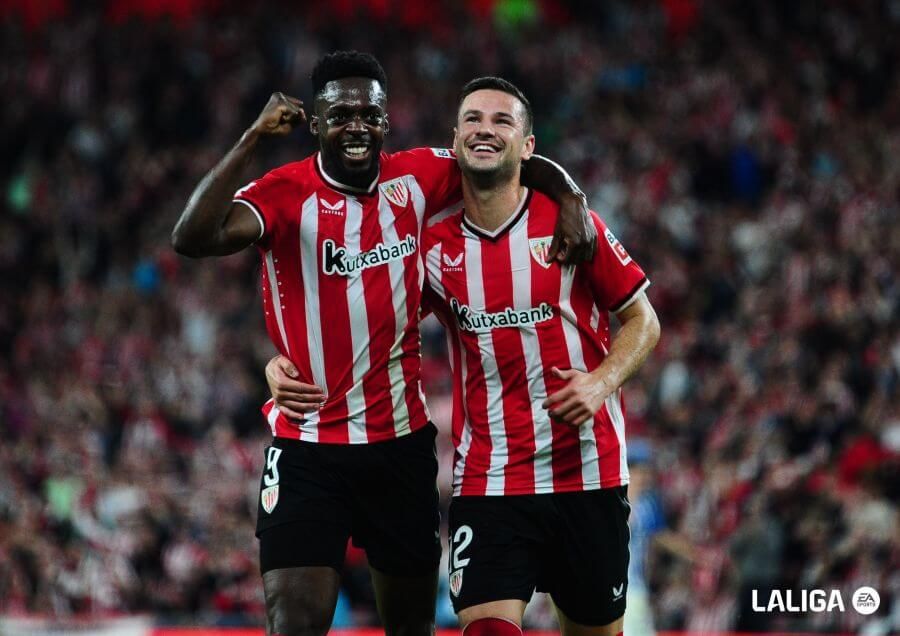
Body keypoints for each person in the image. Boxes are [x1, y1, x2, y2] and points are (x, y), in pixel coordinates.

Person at [172, 51, 596, 636]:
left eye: (370, 114)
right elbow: (192, 237)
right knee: (294, 623)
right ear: (316, 124)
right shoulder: (282, 193)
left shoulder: (419, 176)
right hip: (307, 446)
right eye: (341, 114)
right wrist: (251, 137)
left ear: (386, 122)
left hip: (399, 449)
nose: (357, 126)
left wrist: (571, 198)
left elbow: (504, 161)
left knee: (409, 626)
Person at [267, 77, 661, 636]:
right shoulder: (430, 246)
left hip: (588, 473)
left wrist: (600, 382)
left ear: (528, 146)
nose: (485, 129)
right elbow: (365, 320)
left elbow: (644, 320)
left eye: (503, 121)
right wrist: (280, 362)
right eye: (473, 119)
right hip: (491, 479)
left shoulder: (572, 226)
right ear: (454, 139)